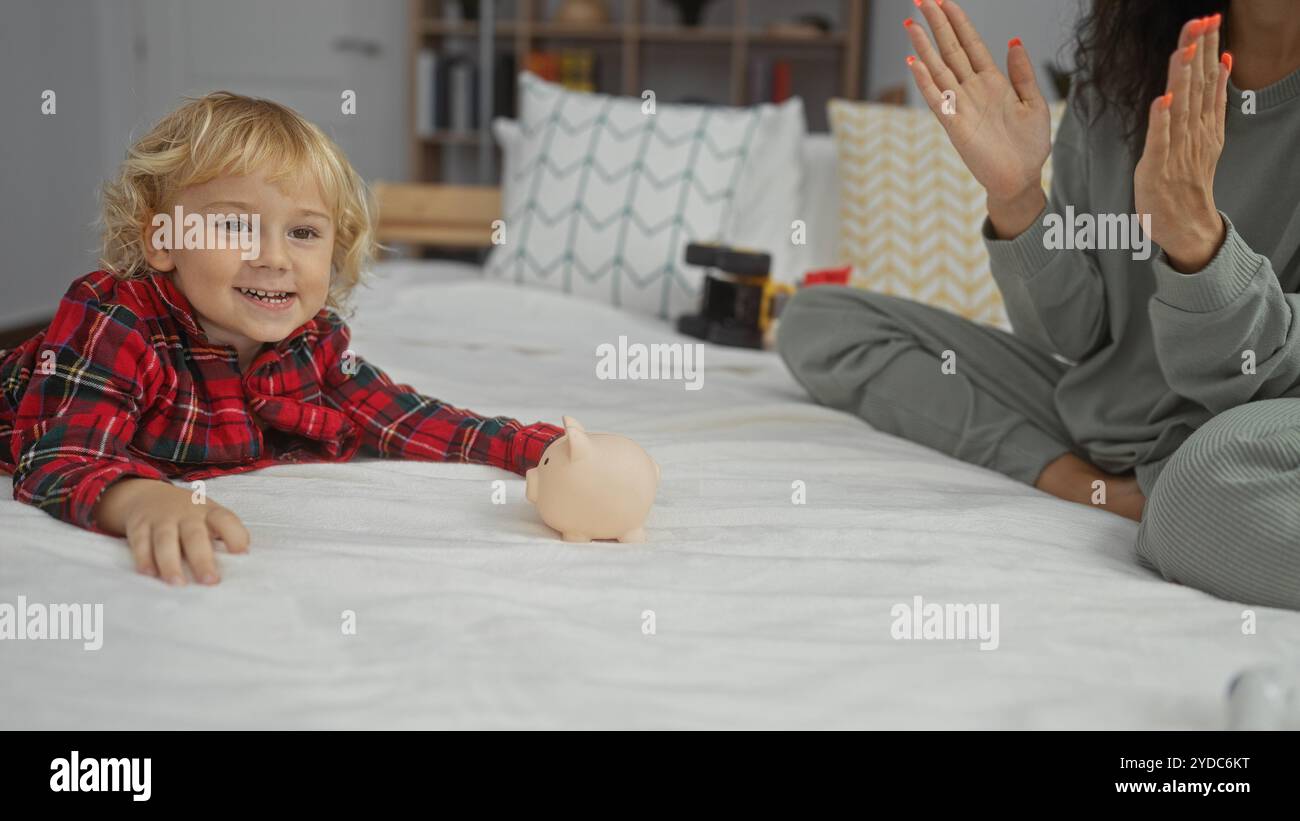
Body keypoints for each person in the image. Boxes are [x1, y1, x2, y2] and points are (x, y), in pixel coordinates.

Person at [777, 0, 1300, 609]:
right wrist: (1017, 197)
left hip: (1258, 422)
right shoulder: (1120, 78)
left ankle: (1167, 496)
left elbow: (1259, 376)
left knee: (1201, 484)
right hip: (1110, 422)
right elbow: (1077, 333)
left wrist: (1198, 244)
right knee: (819, 318)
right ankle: (1099, 488)